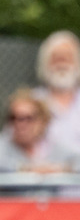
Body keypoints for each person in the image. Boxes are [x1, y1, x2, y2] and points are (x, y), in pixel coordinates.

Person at [0, 88, 77, 173]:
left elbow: (76, 162)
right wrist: (26, 169)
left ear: (43, 121)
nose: (20, 124)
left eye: (28, 118)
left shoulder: (54, 146)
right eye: (14, 118)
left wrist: (61, 169)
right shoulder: (3, 146)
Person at [33, 31, 80, 160]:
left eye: (67, 58)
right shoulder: (31, 102)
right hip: (42, 177)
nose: (62, 64)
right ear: (44, 63)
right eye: (56, 58)